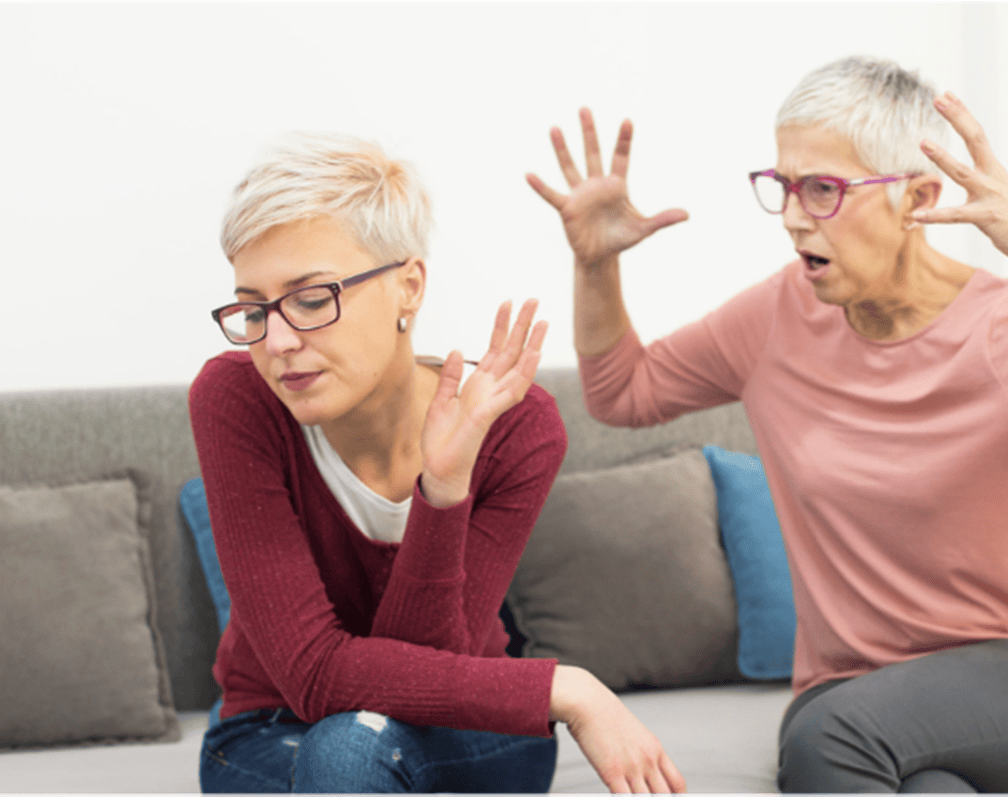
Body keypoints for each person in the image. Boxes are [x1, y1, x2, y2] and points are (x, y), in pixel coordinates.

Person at [527, 56, 1008, 796]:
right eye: (785, 186)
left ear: (919, 197)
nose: (796, 216)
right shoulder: (776, 318)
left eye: (825, 189)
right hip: (850, 687)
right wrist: (595, 267)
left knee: (830, 742)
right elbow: (623, 396)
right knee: (908, 778)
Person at [191, 133, 687, 796]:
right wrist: (565, 688)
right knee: (344, 749)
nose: (276, 341)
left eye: (312, 300)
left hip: (470, 730)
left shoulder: (515, 427)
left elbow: (428, 668)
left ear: (408, 286)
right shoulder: (235, 400)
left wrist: (444, 488)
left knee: (351, 747)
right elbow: (311, 674)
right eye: (254, 308)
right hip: (274, 730)